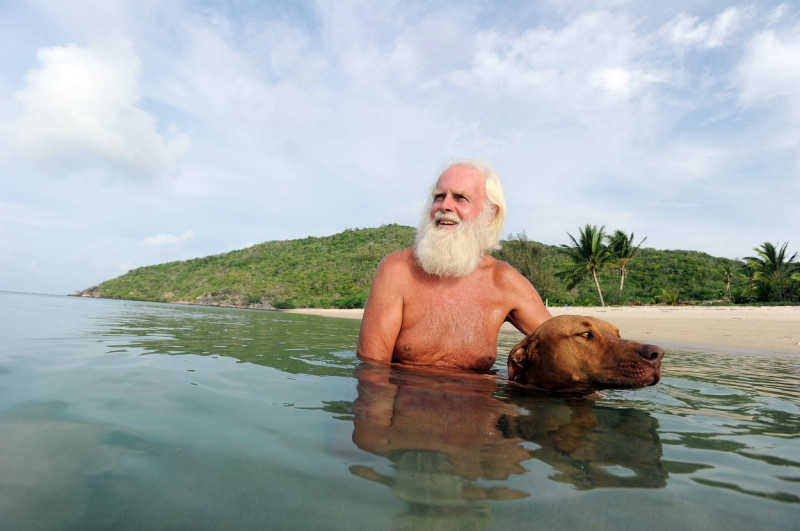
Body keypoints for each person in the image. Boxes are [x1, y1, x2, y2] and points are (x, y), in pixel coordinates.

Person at [357, 160, 552, 371]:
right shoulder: (397, 270)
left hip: (480, 401)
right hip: (409, 401)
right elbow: (372, 372)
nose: (445, 206)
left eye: (460, 198)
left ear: (490, 214)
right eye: (439, 197)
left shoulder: (504, 281)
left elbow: (565, 344)